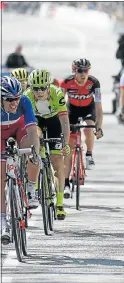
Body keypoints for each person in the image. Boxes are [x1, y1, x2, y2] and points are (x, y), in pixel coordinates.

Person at [26, 69, 71, 220]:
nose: (39, 92)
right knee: (36, 141)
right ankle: (37, 185)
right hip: (36, 121)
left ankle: (59, 204)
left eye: (42, 88)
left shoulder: (57, 94)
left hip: (54, 122)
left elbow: (64, 121)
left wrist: (65, 142)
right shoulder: (27, 96)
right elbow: (28, 125)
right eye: (35, 88)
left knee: (58, 164)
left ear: (48, 86)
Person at [1, 76, 40, 244]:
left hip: (19, 129)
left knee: (32, 149)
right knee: (1, 177)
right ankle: (3, 220)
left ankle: (30, 186)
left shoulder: (24, 101)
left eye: (16, 98)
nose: (14, 102)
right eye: (9, 99)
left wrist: (35, 153)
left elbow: (32, 130)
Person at [59, 58, 103, 197]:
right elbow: (58, 105)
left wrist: (99, 127)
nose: (83, 74)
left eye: (86, 70)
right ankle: (66, 183)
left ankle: (89, 154)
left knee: (89, 127)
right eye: (80, 71)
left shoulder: (94, 83)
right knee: (69, 147)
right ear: (74, 71)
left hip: (88, 109)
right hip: (71, 110)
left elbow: (99, 107)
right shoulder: (65, 82)